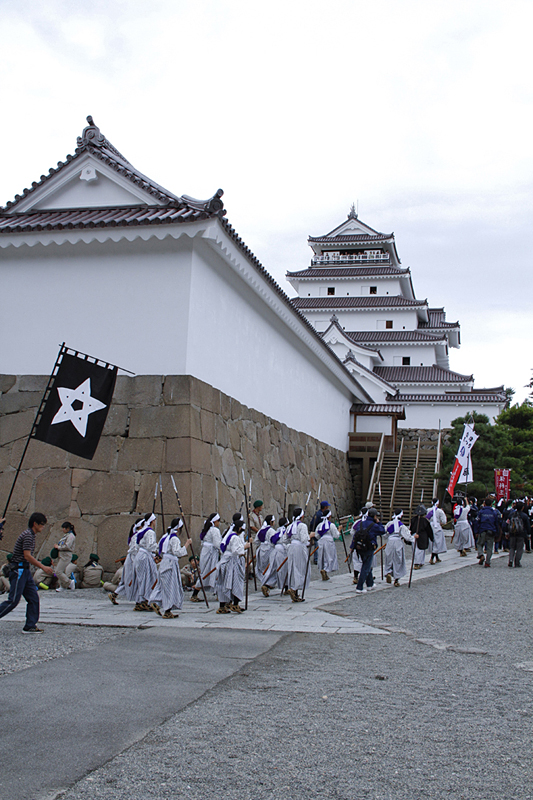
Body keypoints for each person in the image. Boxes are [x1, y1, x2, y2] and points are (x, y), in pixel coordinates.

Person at [0, 512, 54, 633]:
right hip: (19, 569)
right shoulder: (28, 535)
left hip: (25, 570)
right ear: (35, 524)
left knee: (33, 597)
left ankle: (30, 624)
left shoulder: (30, 535)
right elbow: (27, 556)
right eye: (41, 524)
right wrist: (43, 567)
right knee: (13, 600)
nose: (43, 527)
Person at [149, 518, 192, 618]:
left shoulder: (165, 537)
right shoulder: (174, 539)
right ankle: (167, 611)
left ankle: (156, 601)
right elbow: (178, 552)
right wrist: (186, 545)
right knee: (170, 587)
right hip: (170, 564)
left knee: (161, 585)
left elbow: (158, 548)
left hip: (164, 562)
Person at [215, 518, 250, 613]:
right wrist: (245, 547)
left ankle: (223, 606)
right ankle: (235, 604)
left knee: (225, 584)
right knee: (236, 583)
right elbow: (235, 550)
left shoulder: (230, 536)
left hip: (227, 561)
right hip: (232, 563)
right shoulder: (235, 538)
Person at [350, 508, 384, 593]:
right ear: (375, 516)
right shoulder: (373, 525)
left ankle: (370, 584)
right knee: (366, 567)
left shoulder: (361, 524)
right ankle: (359, 587)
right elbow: (382, 531)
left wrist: (352, 546)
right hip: (369, 547)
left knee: (366, 564)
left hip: (360, 547)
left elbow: (355, 535)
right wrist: (378, 522)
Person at [190, 513, 222, 602]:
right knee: (209, 573)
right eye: (218, 521)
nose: (219, 523)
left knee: (209, 573)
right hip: (211, 554)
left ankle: (218, 594)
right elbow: (217, 543)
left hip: (205, 552)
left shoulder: (206, 529)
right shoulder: (214, 530)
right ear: (215, 521)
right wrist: (224, 549)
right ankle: (195, 594)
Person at [286, 507, 310, 602]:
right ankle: (294, 588)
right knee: (300, 568)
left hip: (291, 547)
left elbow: (285, 539)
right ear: (302, 516)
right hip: (299, 548)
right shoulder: (302, 526)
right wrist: (310, 536)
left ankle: (294, 591)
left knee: (293, 568)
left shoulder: (290, 526)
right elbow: (304, 539)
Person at [384, 510, 414, 586]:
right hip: (398, 542)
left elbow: (384, 535)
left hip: (390, 542)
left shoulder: (389, 524)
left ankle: (388, 572)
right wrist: (414, 538)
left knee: (389, 558)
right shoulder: (402, 526)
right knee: (398, 560)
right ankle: (396, 580)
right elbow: (407, 537)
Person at [261, 517, 289, 595]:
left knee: (273, 570)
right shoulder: (285, 532)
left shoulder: (276, 531)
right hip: (282, 552)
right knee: (284, 570)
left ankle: (267, 585)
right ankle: (286, 587)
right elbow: (285, 542)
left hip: (274, 551)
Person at [476, 497, 502, 568]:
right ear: (491, 504)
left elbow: (477, 521)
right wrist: (497, 532)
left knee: (479, 544)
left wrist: (476, 531)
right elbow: (496, 522)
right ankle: (487, 562)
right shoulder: (494, 512)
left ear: (484, 504)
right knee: (490, 547)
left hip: (482, 530)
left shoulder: (481, 511)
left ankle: (481, 554)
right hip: (491, 531)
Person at [315, 509, 339, 580]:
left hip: (322, 541)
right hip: (329, 541)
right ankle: (326, 569)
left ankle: (323, 568)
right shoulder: (331, 525)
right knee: (329, 556)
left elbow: (317, 535)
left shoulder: (319, 525)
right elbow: (336, 535)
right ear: (330, 516)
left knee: (322, 556)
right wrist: (339, 530)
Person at [506, 501, 530, 568]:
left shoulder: (511, 515)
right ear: (522, 508)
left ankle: (510, 560)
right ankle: (517, 562)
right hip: (521, 533)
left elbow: (507, 523)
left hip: (512, 533)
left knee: (512, 547)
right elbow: (527, 526)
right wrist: (528, 534)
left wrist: (506, 532)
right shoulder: (524, 516)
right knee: (519, 548)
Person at [54, 521, 77, 590]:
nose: (62, 529)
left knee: (58, 571)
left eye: (64, 528)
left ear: (67, 528)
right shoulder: (66, 535)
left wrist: (58, 547)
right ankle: (62, 586)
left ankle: (69, 582)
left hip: (66, 555)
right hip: (62, 555)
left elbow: (67, 546)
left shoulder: (71, 536)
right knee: (61, 571)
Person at [411, 505, 433, 569]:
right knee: (420, 551)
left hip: (414, 535)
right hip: (422, 536)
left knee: (416, 550)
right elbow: (429, 530)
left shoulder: (413, 520)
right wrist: (431, 537)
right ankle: (417, 563)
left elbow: (411, 528)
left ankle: (420, 562)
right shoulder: (425, 521)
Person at [256, 515, 275, 588]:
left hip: (261, 549)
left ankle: (264, 580)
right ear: (271, 522)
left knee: (263, 566)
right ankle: (267, 583)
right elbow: (273, 540)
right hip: (269, 549)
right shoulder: (271, 531)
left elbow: (256, 541)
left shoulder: (261, 530)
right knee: (270, 567)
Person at [427, 499, 447, 564]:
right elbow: (444, 521)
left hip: (430, 527)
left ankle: (437, 558)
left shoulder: (428, 510)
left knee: (433, 543)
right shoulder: (440, 511)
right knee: (437, 543)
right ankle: (432, 558)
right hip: (437, 527)